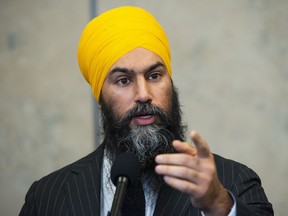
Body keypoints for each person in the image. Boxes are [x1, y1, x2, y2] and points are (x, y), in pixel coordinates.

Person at [19, 6, 273, 216]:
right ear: (101, 96)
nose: (143, 94)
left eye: (154, 75)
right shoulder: (46, 196)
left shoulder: (234, 181)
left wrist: (219, 204)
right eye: (123, 80)